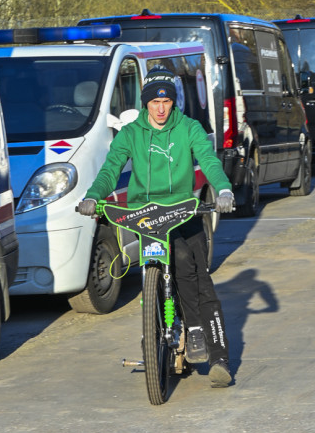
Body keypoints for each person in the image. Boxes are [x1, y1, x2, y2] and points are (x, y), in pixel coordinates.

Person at [77, 67, 235, 387]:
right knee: (168, 262)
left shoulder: (189, 127)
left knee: (195, 274)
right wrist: (93, 196)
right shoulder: (131, 134)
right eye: (154, 101)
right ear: (145, 103)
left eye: (166, 100)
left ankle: (213, 351)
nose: (161, 108)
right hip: (146, 215)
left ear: (173, 102)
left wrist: (223, 189)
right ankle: (156, 334)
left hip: (182, 211)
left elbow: (209, 161)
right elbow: (110, 169)